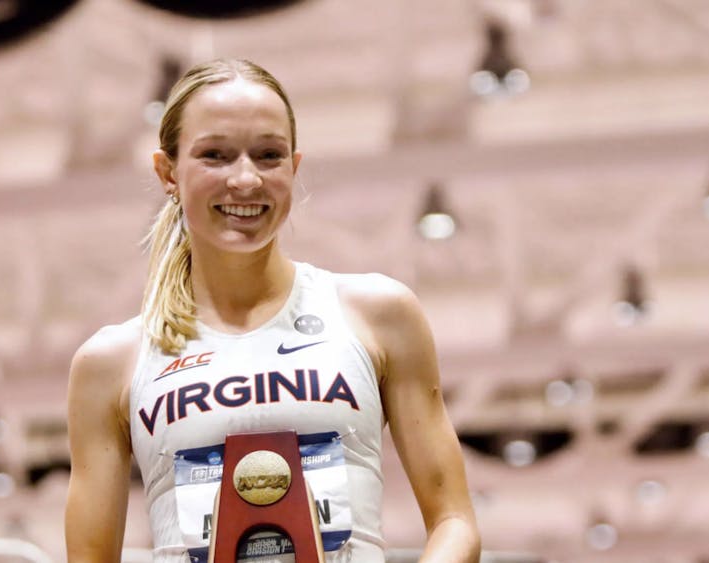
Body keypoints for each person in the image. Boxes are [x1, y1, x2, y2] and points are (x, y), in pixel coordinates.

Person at [65, 58, 480, 563]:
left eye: (268, 155)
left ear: (294, 167)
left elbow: (454, 521)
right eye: (215, 155)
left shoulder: (378, 315)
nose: (245, 180)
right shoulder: (111, 363)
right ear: (167, 172)